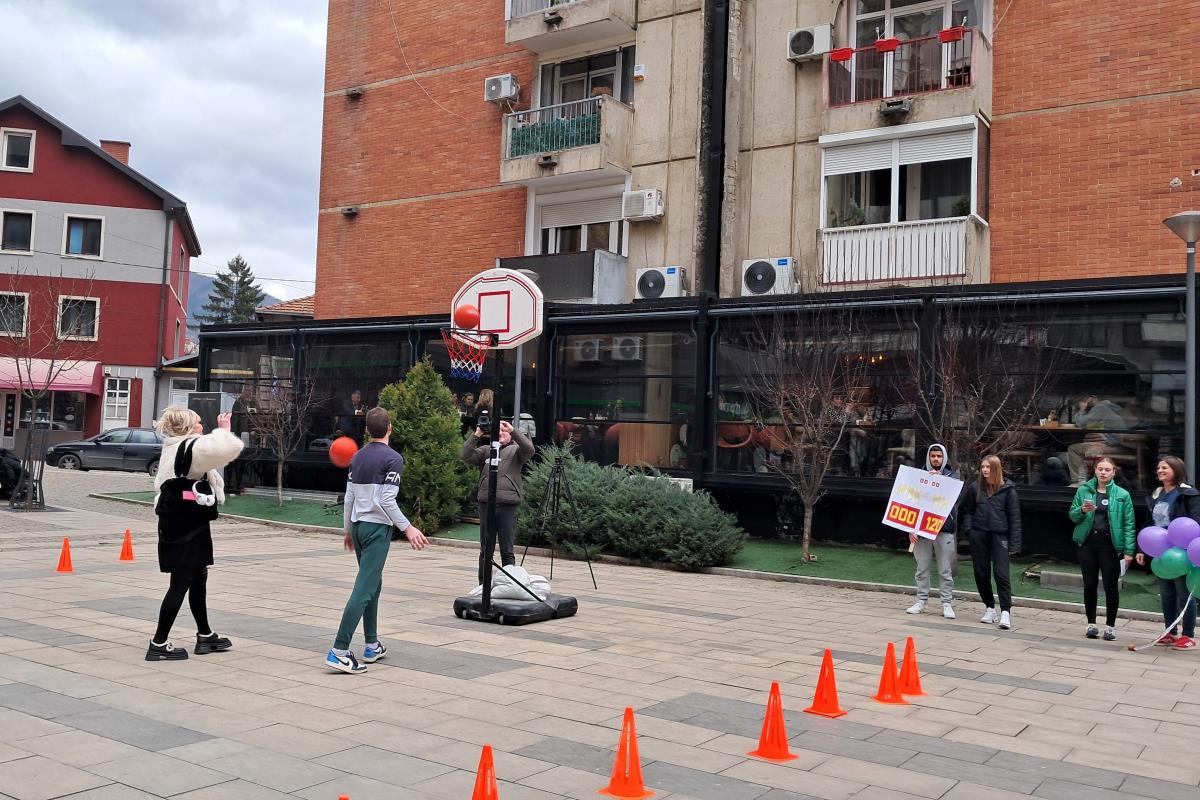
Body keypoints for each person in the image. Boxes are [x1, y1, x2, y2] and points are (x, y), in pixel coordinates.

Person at [327, 407, 427, 674]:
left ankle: (371, 644)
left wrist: (348, 530)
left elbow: (348, 497)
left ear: (368, 431)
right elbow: (385, 500)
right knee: (363, 589)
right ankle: (339, 650)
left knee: (373, 584)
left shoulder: (357, 457)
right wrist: (408, 528)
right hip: (376, 530)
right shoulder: (393, 459)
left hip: (359, 528)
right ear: (390, 427)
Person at [147, 406, 244, 661]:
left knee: (198, 578)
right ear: (189, 427)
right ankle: (158, 643)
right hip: (189, 525)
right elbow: (224, 450)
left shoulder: (172, 447)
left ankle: (205, 635)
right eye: (199, 422)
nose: (202, 426)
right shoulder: (191, 447)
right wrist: (224, 431)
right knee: (180, 583)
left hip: (177, 521)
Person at [461, 418, 535, 585]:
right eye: (498, 431)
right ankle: (483, 586)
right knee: (485, 549)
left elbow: (530, 449)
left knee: (507, 550)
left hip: (507, 506)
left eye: (504, 432)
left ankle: (509, 585)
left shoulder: (516, 451)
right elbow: (465, 455)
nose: (501, 434)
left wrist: (513, 429)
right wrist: (477, 434)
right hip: (487, 505)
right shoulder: (486, 451)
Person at [1136, 456, 1200, 650]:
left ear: (1176, 469)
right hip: (1159, 552)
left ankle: (1188, 635)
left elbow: (1196, 521)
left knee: (1183, 593)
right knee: (1166, 594)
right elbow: (1149, 524)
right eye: (1158, 468)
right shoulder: (1155, 494)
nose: (1160, 471)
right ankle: (1170, 632)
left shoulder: (1188, 493)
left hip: (1180, 553)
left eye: (1165, 467)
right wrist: (1141, 549)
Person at [1068, 456, 1135, 641]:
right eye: (1100, 469)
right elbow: (1072, 516)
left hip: (1110, 544)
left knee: (1110, 586)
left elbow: (1129, 524)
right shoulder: (1084, 490)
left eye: (1107, 469)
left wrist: (1129, 551)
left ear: (1114, 472)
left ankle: (1110, 626)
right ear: (1095, 471)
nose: (1103, 472)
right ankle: (1091, 624)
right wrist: (1082, 510)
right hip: (1088, 542)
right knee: (1089, 584)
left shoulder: (1122, 495)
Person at [959, 455, 1022, 630]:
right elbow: (968, 510)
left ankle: (1006, 612)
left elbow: (1015, 518)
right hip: (979, 535)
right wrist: (970, 530)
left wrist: (1014, 544)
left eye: (988, 467)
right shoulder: (975, 488)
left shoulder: (1008, 490)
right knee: (981, 573)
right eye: (983, 467)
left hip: (1000, 536)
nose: (985, 470)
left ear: (996, 468)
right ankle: (989, 607)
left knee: (1001, 574)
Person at [906, 444, 960, 619]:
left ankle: (946, 603)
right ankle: (921, 601)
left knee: (945, 569)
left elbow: (957, 498)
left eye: (939, 456)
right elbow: (910, 501)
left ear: (944, 458)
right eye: (933, 456)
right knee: (922, 568)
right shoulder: (918, 476)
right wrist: (910, 528)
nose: (936, 459)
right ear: (928, 458)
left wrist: (942, 481)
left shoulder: (953, 477)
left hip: (944, 530)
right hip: (921, 529)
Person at [1067, 395, 1129, 485]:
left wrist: (1082, 410)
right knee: (1085, 447)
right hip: (1118, 445)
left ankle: (1078, 482)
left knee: (1073, 449)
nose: (1083, 402)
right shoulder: (1108, 408)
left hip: (1111, 447)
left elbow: (1082, 423)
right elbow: (1096, 425)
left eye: (1086, 399)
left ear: (1094, 398)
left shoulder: (1100, 407)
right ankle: (1086, 478)